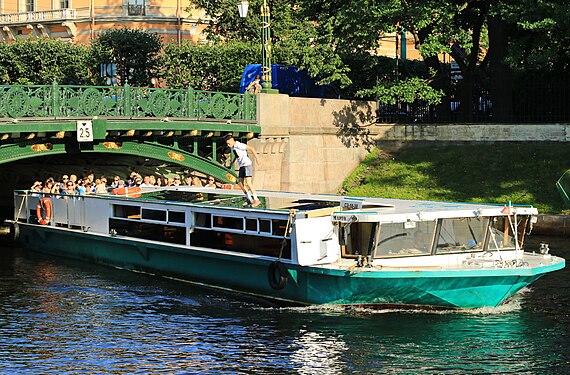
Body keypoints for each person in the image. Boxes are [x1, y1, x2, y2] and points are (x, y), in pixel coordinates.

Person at [224, 133, 261, 207]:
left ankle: (256, 199)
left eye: (228, 143)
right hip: (242, 166)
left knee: (248, 183)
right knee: (240, 183)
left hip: (246, 164)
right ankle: (249, 199)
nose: (228, 145)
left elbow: (251, 148)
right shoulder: (233, 147)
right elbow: (237, 156)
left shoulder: (239, 145)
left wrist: (257, 158)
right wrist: (232, 162)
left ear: (232, 140)